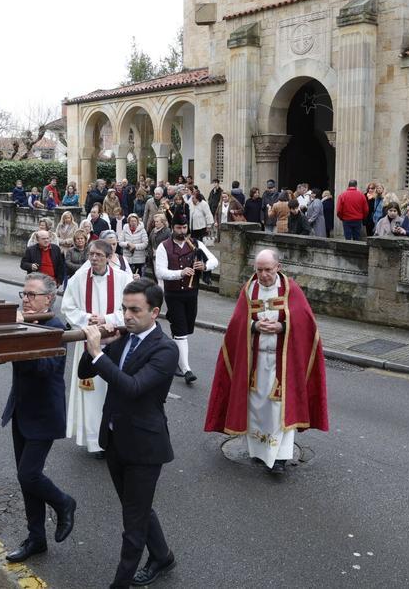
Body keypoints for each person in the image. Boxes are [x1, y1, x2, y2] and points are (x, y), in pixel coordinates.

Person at [77, 280, 179, 589]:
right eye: (124, 309)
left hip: (145, 448)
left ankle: (120, 584)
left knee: (133, 523)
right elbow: (85, 372)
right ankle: (162, 556)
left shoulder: (165, 349)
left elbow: (133, 388)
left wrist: (99, 354)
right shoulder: (124, 337)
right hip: (115, 439)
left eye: (135, 310)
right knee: (137, 508)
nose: (127, 316)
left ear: (155, 312)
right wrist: (98, 348)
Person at [205, 249, 329, 474]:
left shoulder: (291, 289)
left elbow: (306, 323)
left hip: (283, 364)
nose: (263, 275)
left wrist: (283, 326)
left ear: (278, 267)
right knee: (257, 407)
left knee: (281, 409)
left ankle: (280, 458)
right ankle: (259, 452)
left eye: (268, 270)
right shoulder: (249, 289)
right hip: (255, 362)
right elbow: (236, 324)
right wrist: (253, 326)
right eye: (259, 269)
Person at [4, 273, 77, 563]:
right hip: (21, 409)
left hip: (44, 414)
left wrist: (22, 333)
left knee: (29, 474)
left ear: (49, 298)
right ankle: (36, 538)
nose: (25, 299)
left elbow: (44, 369)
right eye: (24, 293)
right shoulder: (26, 323)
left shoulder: (55, 328)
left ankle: (64, 502)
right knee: (26, 481)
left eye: (32, 294)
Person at [62, 240, 133, 455]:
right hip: (88, 342)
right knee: (91, 394)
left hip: (116, 342)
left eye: (99, 255)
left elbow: (131, 309)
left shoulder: (123, 278)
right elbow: (67, 307)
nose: (94, 258)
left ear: (109, 257)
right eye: (91, 254)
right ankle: (95, 442)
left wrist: (106, 319)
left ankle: (117, 436)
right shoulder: (79, 278)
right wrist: (87, 318)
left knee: (116, 388)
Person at [154, 212, 218, 385]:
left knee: (186, 329)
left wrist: (204, 266)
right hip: (173, 294)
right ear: (172, 228)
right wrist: (180, 273)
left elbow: (214, 261)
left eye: (184, 227)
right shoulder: (164, 246)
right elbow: (159, 272)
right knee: (181, 330)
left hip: (191, 293)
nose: (182, 231)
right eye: (178, 228)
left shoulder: (196, 244)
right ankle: (186, 369)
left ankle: (173, 352)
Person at [146, 214, 171, 281]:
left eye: (157, 221)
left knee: (162, 275)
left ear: (162, 222)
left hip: (163, 257)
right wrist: (151, 252)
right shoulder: (153, 231)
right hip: (154, 257)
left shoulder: (167, 231)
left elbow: (170, 245)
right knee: (156, 275)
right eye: (155, 221)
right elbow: (149, 243)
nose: (155, 223)